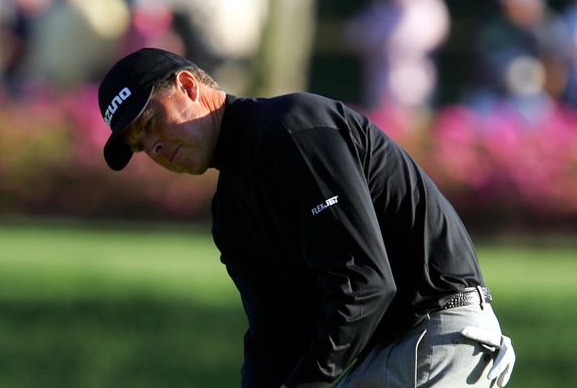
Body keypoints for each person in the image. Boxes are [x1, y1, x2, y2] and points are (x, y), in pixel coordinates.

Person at [97, 48, 515, 387]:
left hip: (433, 335)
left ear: (188, 86)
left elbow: (364, 282)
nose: (151, 147)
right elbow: (274, 338)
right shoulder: (230, 212)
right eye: (138, 145)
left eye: (150, 122)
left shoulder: (292, 128)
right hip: (390, 353)